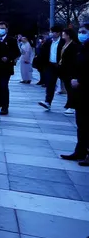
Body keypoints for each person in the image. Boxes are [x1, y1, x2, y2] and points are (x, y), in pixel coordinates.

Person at [63, 23, 89, 165]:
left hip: (85, 89)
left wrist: (80, 80)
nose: (81, 34)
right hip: (81, 93)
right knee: (81, 123)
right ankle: (80, 151)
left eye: (84, 31)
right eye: (80, 31)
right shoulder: (82, 48)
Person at [38, 25, 65, 110]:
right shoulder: (48, 41)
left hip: (61, 65)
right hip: (50, 65)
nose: (51, 33)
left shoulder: (63, 42)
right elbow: (42, 51)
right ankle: (48, 102)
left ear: (58, 33)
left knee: (67, 84)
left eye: (53, 32)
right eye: (51, 32)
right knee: (50, 83)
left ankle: (70, 105)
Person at [59, 28, 80, 115]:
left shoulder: (74, 45)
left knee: (71, 88)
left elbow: (73, 59)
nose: (63, 36)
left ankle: (72, 106)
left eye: (64, 34)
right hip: (64, 68)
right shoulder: (65, 44)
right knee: (68, 87)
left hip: (70, 70)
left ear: (68, 35)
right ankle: (69, 103)